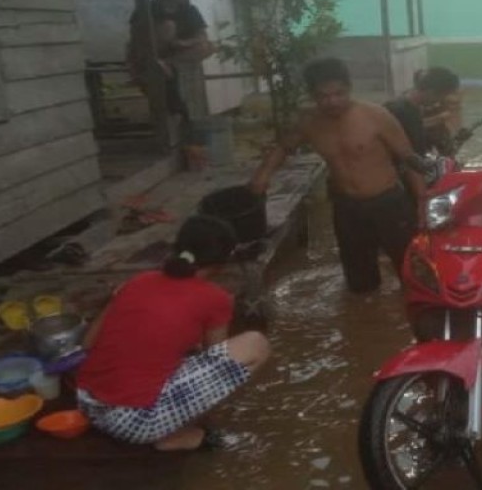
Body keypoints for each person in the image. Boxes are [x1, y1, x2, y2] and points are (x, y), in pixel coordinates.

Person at [76, 216, 271, 451]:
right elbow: (216, 359)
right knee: (256, 343)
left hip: (87, 404)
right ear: (222, 261)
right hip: (133, 423)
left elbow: (88, 343)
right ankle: (177, 435)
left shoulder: (139, 280)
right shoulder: (215, 298)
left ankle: (168, 425)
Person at [248, 58, 425, 292]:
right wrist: (263, 175)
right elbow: (283, 147)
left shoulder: (376, 115)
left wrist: (423, 202)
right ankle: (365, 323)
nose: (332, 101)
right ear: (312, 95)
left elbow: (408, 158)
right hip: (347, 207)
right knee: (360, 285)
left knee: (412, 275)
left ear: (349, 88)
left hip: (388, 203)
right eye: (323, 96)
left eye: (339, 93)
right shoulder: (309, 123)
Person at [126, 0, 214, 126]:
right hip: (150, 50)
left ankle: (166, 64)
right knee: (168, 27)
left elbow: (202, 36)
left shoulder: (190, 10)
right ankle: (159, 64)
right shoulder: (149, 7)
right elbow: (134, 36)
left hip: (177, 53)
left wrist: (184, 43)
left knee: (208, 46)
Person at [384, 66, 461, 157]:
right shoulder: (400, 112)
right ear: (431, 92)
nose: (440, 101)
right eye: (441, 96)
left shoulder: (410, 107)